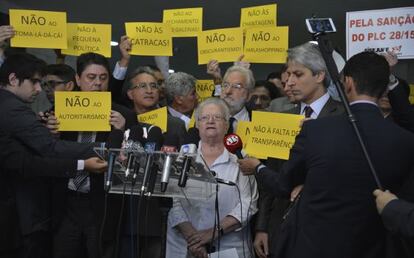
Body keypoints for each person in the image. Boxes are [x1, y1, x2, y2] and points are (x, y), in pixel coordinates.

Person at [239, 51, 414, 258]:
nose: (291, 81)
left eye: (298, 74)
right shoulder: (406, 140)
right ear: (385, 87)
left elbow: (282, 184)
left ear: (347, 83)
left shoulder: (316, 130)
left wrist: (257, 167)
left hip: (318, 246)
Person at [249, 42, 344, 258]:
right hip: (280, 227)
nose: (289, 82)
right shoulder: (280, 118)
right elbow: (269, 180)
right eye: (288, 74)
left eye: (298, 74)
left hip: (326, 229)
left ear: (319, 76)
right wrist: (262, 227)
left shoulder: (343, 118)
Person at [42, 52, 136, 258]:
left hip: (101, 204)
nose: (97, 84)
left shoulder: (123, 115)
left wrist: (121, 130)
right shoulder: (58, 111)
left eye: (103, 78)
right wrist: (52, 136)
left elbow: (128, 161)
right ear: (77, 79)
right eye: (91, 78)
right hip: (65, 202)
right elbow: (46, 157)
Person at [167, 97, 258, 258]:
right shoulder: (183, 156)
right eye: (204, 117)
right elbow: (175, 202)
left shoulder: (241, 157)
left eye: (217, 117)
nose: (210, 121)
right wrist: (195, 240)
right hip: (185, 245)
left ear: (226, 125)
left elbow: (248, 202)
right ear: (197, 124)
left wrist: (212, 233)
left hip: (229, 245)